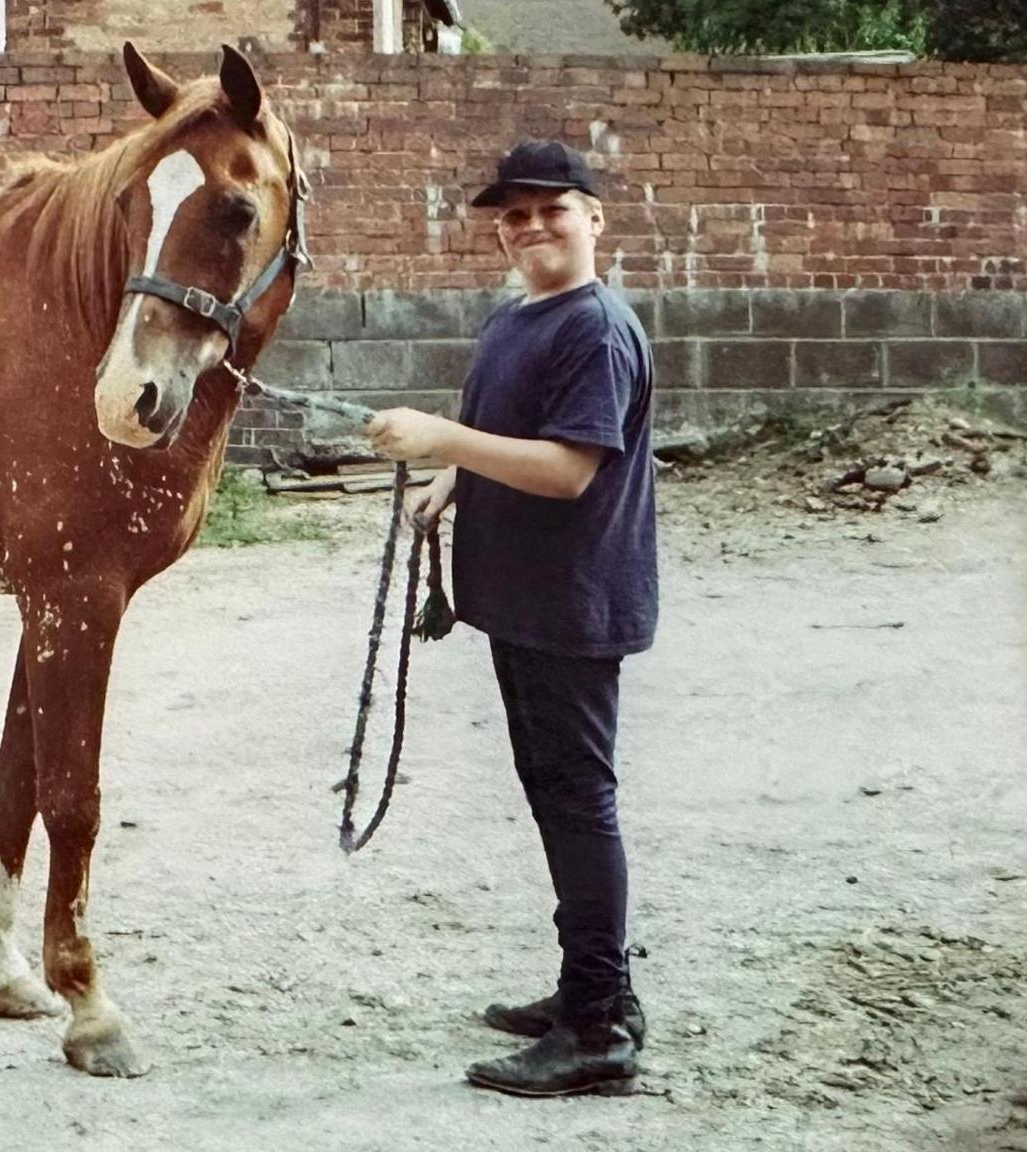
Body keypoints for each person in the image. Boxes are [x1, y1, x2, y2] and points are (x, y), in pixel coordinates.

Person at [363, 139, 658, 1098]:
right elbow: (520, 432)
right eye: (514, 215)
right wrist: (453, 476)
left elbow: (571, 468)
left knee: (578, 800)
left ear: (595, 218)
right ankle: (590, 988)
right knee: (554, 793)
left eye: (552, 209)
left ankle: (599, 1025)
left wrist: (446, 437)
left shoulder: (596, 329)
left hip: (573, 601)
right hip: (522, 599)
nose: (532, 226)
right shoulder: (518, 319)